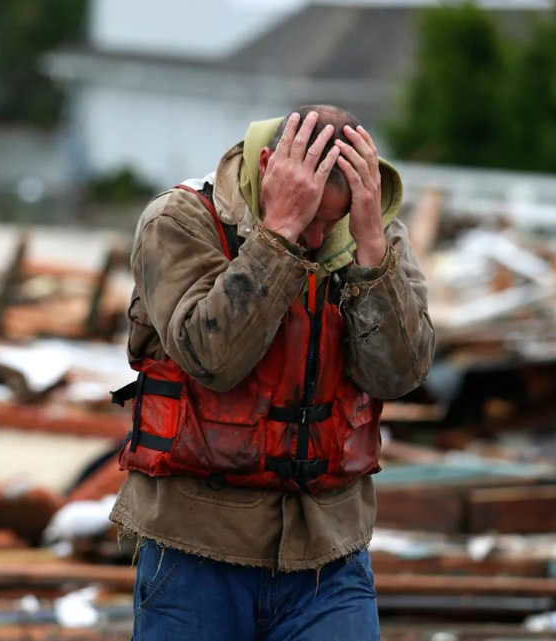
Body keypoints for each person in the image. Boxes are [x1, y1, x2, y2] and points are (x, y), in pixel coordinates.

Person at [109, 105, 436, 640]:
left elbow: (400, 375)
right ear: (269, 168)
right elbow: (210, 357)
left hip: (329, 557)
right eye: (312, 218)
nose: (319, 239)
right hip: (197, 551)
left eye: (335, 221)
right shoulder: (181, 220)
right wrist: (279, 234)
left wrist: (373, 251)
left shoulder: (368, 233)